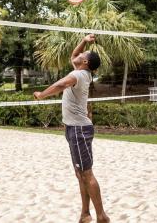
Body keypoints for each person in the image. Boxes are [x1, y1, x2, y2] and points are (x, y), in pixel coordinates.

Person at [34, 34, 110, 223]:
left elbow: (61, 84)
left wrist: (42, 95)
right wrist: (84, 40)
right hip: (72, 128)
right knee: (80, 173)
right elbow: (74, 54)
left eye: (83, 53)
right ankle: (85, 214)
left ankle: (102, 216)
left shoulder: (77, 75)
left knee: (87, 173)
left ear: (84, 61)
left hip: (79, 130)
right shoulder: (82, 71)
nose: (77, 54)